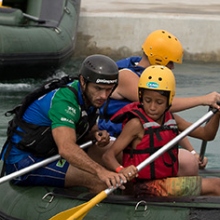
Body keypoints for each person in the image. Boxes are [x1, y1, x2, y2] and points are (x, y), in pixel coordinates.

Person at [96, 29, 220, 173]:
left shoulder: (153, 77)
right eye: (171, 62)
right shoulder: (126, 76)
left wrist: (193, 152)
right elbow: (169, 106)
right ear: (159, 59)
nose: (172, 67)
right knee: (186, 162)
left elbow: (168, 121)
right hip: (115, 140)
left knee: (189, 159)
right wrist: (202, 100)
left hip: (143, 138)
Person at [0, 54, 128, 193]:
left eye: (108, 90)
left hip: (52, 153)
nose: (103, 96)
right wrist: (100, 171)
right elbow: (66, 148)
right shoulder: (64, 101)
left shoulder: (91, 97)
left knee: (122, 155)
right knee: (100, 181)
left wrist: (96, 134)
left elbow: (88, 130)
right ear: (83, 82)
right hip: (26, 161)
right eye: (98, 88)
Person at [102, 65, 220, 197]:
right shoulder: (136, 124)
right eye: (147, 100)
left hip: (164, 181)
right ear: (141, 97)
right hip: (143, 187)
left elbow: (207, 134)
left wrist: (217, 114)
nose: (152, 107)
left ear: (169, 101)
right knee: (216, 186)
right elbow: (108, 156)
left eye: (159, 102)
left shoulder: (172, 119)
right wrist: (121, 170)